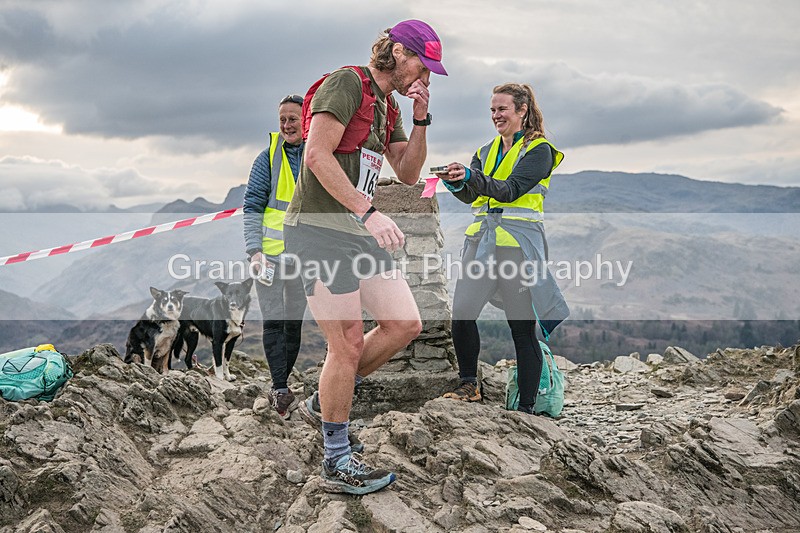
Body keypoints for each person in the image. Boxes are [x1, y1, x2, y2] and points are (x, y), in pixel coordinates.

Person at [283, 20, 447, 495]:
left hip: (355, 231)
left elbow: (410, 173)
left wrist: (419, 115)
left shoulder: (389, 105)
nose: (426, 74)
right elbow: (316, 154)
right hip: (317, 230)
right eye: (422, 63)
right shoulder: (347, 83)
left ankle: (323, 400)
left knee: (405, 324)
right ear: (397, 52)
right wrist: (370, 212)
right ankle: (336, 459)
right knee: (347, 344)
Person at [437, 83, 569, 414]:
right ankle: (469, 385)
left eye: (502, 109)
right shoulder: (484, 151)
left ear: (522, 110)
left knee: (521, 328)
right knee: (463, 314)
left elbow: (510, 191)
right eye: (492, 110)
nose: (496, 115)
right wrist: (456, 182)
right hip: (482, 243)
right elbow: (473, 195)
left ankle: (526, 407)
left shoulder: (539, 151)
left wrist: (471, 176)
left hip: (517, 248)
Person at [243, 94, 308, 419]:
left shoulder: (319, 154)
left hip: (303, 258)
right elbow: (252, 206)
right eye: (282, 119)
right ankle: (280, 386)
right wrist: (254, 251)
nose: (286, 125)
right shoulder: (266, 158)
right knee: (274, 321)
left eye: (292, 119)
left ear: (306, 119)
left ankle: (283, 381)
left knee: (294, 324)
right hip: (267, 257)